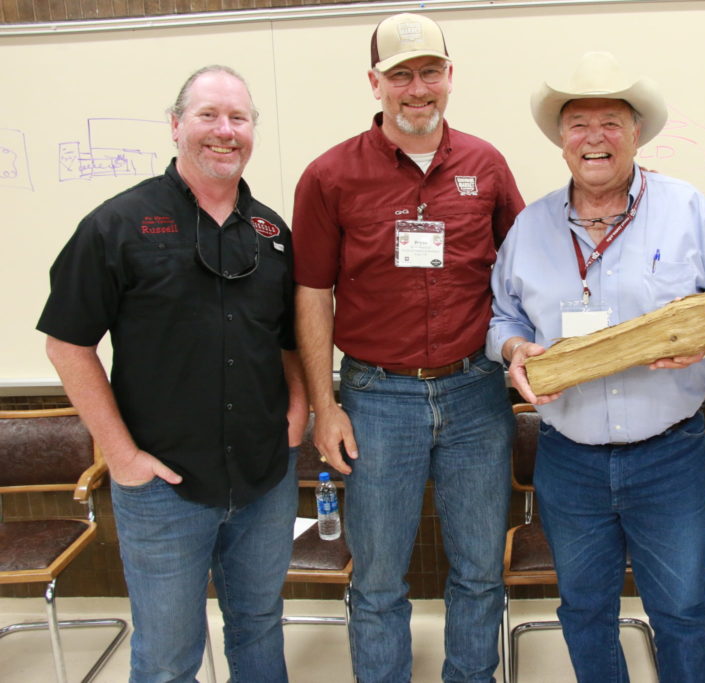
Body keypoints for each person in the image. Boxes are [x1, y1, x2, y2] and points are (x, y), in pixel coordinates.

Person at [488, 51, 705, 682]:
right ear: (561, 141)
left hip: (670, 455)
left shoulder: (687, 210)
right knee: (584, 610)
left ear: (637, 133)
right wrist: (512, 350)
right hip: (568, 459)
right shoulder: (529, 227)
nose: (595, 138)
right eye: (578, 124)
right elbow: (502, 317)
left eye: (611, 122)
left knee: (682, 611)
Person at [38, 65, 307, 682]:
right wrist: (122, 456)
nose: (224, 131)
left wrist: (298, 414)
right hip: (163, 487)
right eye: (208, 115)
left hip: (265, 478)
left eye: (238, 118)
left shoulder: (271, 233)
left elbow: (290, 339)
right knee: (166, 656)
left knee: (260, 624)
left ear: (252, 131)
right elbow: (66, 345)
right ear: (176, 125)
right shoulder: (117, 225)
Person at [290, 12, 525, 683]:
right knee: (378, 579)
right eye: (400, 75)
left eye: (428, 72)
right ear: (375, 84)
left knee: (480, 571)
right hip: (376, 398)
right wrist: (325, 405)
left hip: (476, 391)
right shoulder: (329, 177)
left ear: (450, 77)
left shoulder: (487, 165)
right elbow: (312, 294)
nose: (416, 88)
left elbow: (525, 268)